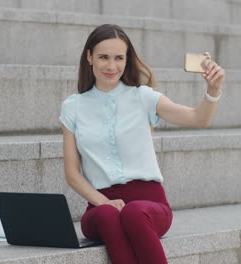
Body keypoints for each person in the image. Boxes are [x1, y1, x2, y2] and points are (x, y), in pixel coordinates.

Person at [59, 24, 225, 264]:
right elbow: (72, 173)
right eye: (103, 57)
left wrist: (213, 90)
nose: (111, 66)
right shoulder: (72, 106)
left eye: (119, 58)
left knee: (133, 213)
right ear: (89, 57)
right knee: (107, 214)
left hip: (149, 207)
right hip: (99, 207)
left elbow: (198, 118)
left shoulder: (143, 97)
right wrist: (103, 201)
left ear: (127, 60)